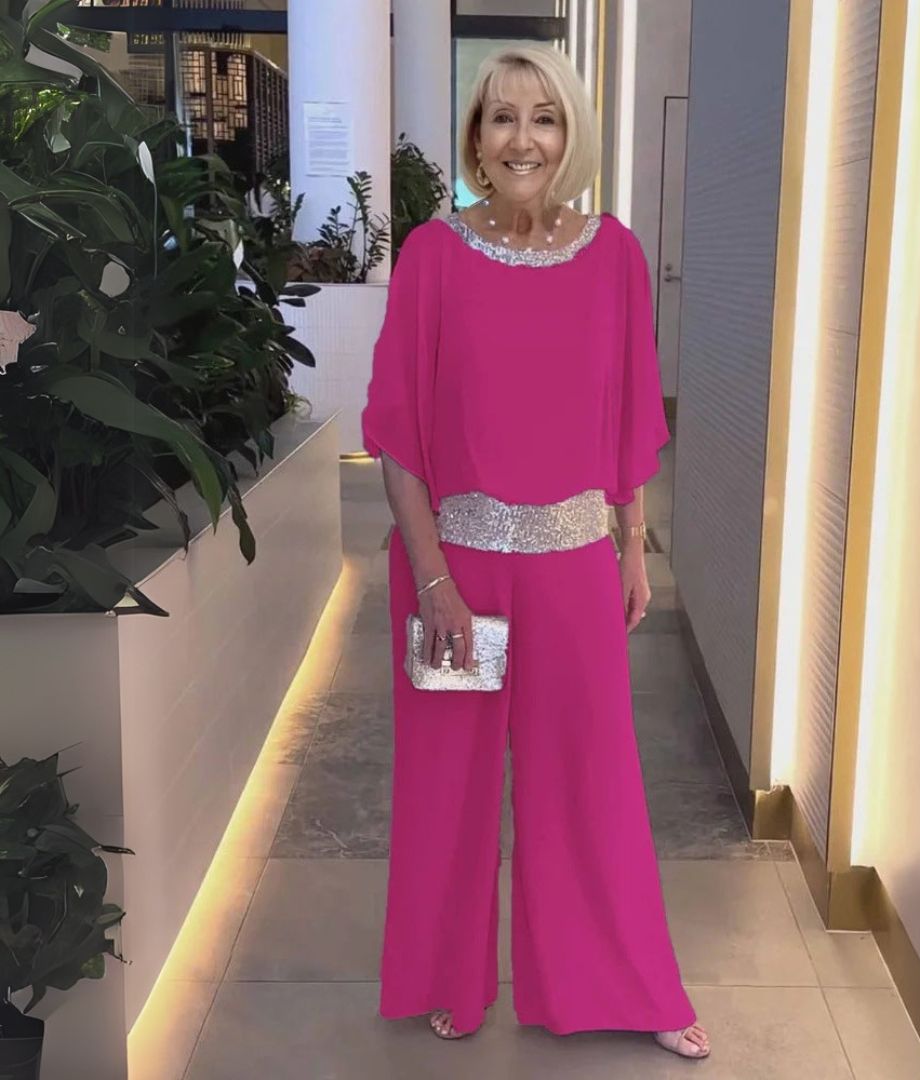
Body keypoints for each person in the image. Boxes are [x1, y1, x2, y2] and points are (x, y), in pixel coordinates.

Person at [360, 43, 711, 1060]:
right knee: (449, 783)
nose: (524, 139)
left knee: (591, 781)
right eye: (503, 118)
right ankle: (448, 975)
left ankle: (628, 986)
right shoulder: (432, 257)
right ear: (477, 138)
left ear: (571, 135)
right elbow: (398, 438)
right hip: (455, 566)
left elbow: (628, 416)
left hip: (572, 564)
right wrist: (434, 583)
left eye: (544, 117)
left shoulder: (615, 256)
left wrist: (632, 547)